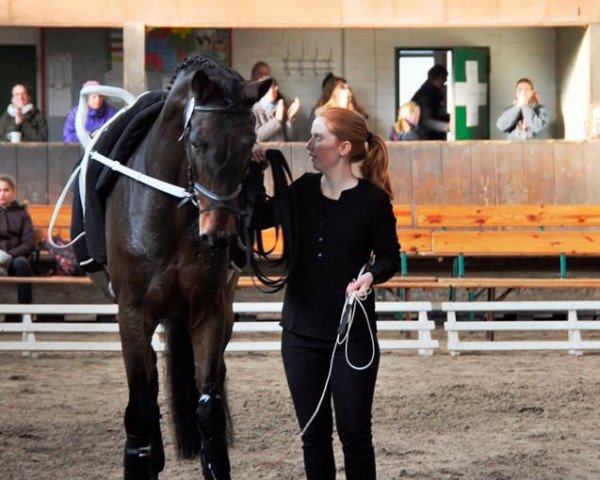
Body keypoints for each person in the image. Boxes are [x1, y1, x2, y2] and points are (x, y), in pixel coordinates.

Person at [252, 107, 400, 479]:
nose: (309, 145)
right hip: (300, 333)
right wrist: (254, 169)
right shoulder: (300, 190)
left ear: (344, 147)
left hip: (352, 336)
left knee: (354, 435)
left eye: (319, 137)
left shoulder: (373, 202)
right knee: (313, 436)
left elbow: (389, 256)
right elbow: (256, 218)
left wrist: (370, 275)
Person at [0, 175, 34, 313]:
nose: (2, 193)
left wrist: (9, 255)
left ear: (13, 192)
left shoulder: (22, 214)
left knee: (22, 264)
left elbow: (28, 243)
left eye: (6, 190)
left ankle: (23, 312)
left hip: (15, 257)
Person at [253, 78, 300, 142]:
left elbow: (293, 139)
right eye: (272, 86)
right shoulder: (253, 111)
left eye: (275, 86)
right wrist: (277, 120)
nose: (276, 88)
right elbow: (256, 137)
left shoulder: (280, 108)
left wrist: (289, 119)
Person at [411, 64, 450, 140]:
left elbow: (436, 113)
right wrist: (447, 126)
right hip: (425, 139)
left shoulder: (429, 94)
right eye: (444, 81)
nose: (443, 85)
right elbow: (427, 121)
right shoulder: (426, 96)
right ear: (439, 79)